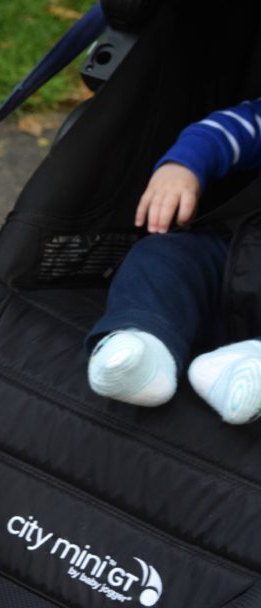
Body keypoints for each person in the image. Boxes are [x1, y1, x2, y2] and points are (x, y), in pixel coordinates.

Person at [86, 98, 261, 424]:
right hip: (239, 255)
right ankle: (143, 347)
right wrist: (182, 167)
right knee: (163, 256)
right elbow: (228, 130)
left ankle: (246, 372)